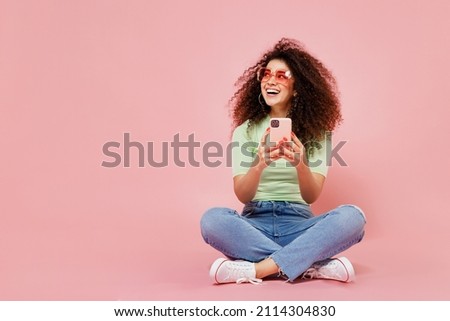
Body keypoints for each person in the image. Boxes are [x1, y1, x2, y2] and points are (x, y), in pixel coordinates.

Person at [200, 38, 366, 285]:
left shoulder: (317, 133)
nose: (271, 80)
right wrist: (259, 163)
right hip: (255, 223)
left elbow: (311, 196)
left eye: (282, 75)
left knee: (353, 217)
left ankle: (257, 270)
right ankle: (310, 264)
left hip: (299, 223)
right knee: (212, 221)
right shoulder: (244, 132)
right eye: (265, 74)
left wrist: (300, 163)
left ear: (297, 87)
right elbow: (243, 195)